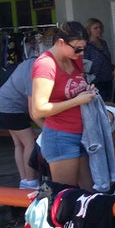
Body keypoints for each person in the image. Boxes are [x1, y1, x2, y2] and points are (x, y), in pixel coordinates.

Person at [30, 21, 98, 188]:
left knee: (88, 192)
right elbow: (38, 110)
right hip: (61, 136)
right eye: (77, 49)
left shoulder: (74, 59)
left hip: (83, 133)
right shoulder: (46, 64)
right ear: (61, 42)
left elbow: (75, 89)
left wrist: (89, 91)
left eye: (84, 48)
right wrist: (77, 101)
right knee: (65, 194)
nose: (81, 53)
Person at [0, 58, 41, 190]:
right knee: (30, 143)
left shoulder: (28, 62)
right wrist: (47, 129)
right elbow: (33, 112)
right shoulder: (36, 70)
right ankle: (31, 181)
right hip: (11, 108)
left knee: (19, 144)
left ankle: (24, 180)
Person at [83, 18, 115, 101]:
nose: (99, 30)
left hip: (108, 78)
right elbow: (85, 64)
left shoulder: (103, 43)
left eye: (100, 27)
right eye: (95, 28)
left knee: (109, 101)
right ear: (89, 30)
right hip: (95, 81)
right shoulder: (86, 46)